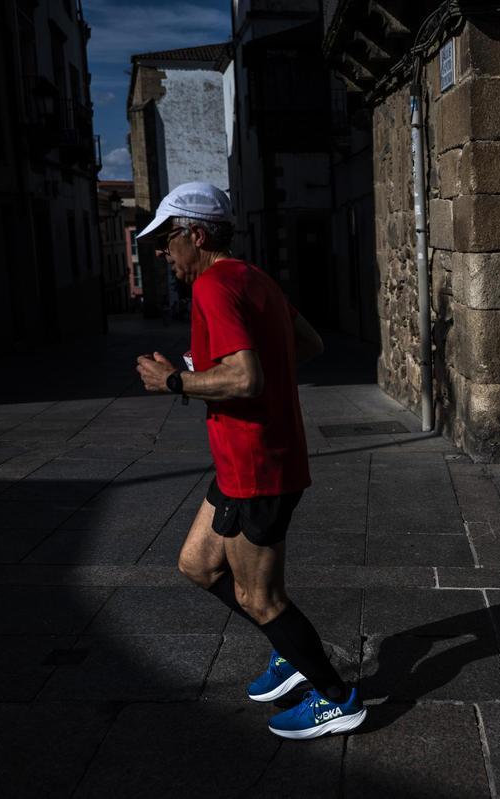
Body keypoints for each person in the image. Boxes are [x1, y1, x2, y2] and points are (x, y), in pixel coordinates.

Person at [134, 182, 364, 739]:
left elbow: (245, 376)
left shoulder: (214, 285)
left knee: (259, 597)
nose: (162, 253)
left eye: (167, 240)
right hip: (245, 463)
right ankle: (289, 654)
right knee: (196, 564)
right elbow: (308, 343)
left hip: (258, 468)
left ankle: (337, 698)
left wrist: (174, 380)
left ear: (195, 234)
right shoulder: (253, 277)